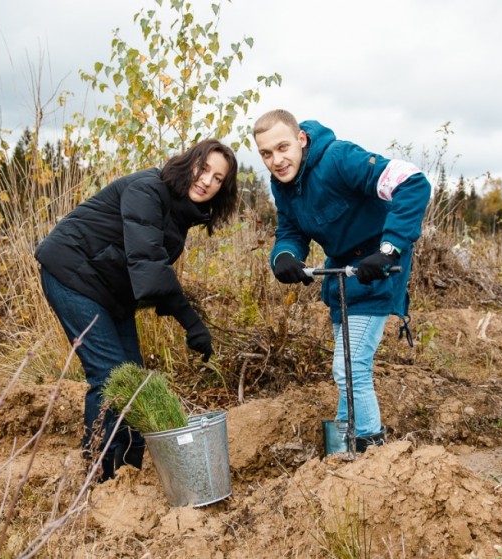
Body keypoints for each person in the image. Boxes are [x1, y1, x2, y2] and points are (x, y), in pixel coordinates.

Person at [34, 139, 239, 480]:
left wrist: (189, 322)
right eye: (203, 169)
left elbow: (147, 270)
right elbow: (150, 268)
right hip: (71, 274)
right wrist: (191, 322)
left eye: (218, 179)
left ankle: (127, 476)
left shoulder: (179, 213)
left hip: (109, 292)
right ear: (189, 162)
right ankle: (98, 478)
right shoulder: (147, 191)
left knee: (136, 383)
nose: (207, 181)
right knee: (110, 376)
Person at [253, 110, 431, 451]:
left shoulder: (339, 158)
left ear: (301, 139)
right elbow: (290, 230)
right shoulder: (284, 186)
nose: (276, 160)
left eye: (283, 147)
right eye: (266, 153)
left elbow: (411, 181)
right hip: (343, 277)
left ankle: (370, 448)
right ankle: (344, 444)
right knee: (348, 364)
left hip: (378, 269)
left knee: (351, 367)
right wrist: (285, 257)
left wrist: (389, 249)